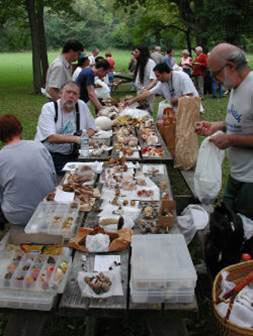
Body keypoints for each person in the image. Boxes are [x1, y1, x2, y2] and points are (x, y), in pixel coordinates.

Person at [195, 43, 253, 219]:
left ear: (230, 66)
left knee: (244, 229)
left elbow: (236, 134)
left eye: (215, 73)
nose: (213, 78)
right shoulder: (236, 87)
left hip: (251, 181)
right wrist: (217, 126)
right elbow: (241, 121)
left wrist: (231, 139)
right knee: (228, 221)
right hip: (237, 174)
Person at [0, 115, 56, 228]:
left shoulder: (1, 156)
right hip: (49, 208)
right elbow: (53, 177)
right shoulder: (38, 146)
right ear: (20, 129)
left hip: (18, 217)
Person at [35, 81, 96, 175]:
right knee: (73, 179)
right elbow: (51, 137)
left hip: (75, 154)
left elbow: (92, 128)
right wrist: (76, 139)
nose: (71, 96)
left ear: (78, 97)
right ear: (60, 94)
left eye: (75, 94)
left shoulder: (81, 105)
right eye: (68, 92)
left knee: (91, 173)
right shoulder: (49, 108)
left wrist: (84, 138)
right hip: (51, 156)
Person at [125, 62, 202, 118]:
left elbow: (189, 95)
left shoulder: (182, 76)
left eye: (158, 76)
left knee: (187, 137)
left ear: (165, 73)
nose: (157, 79)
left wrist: (176, 100)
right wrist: (131, 101)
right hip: (179, 112)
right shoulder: (162, 83)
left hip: (191, 110)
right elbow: (147, 93)